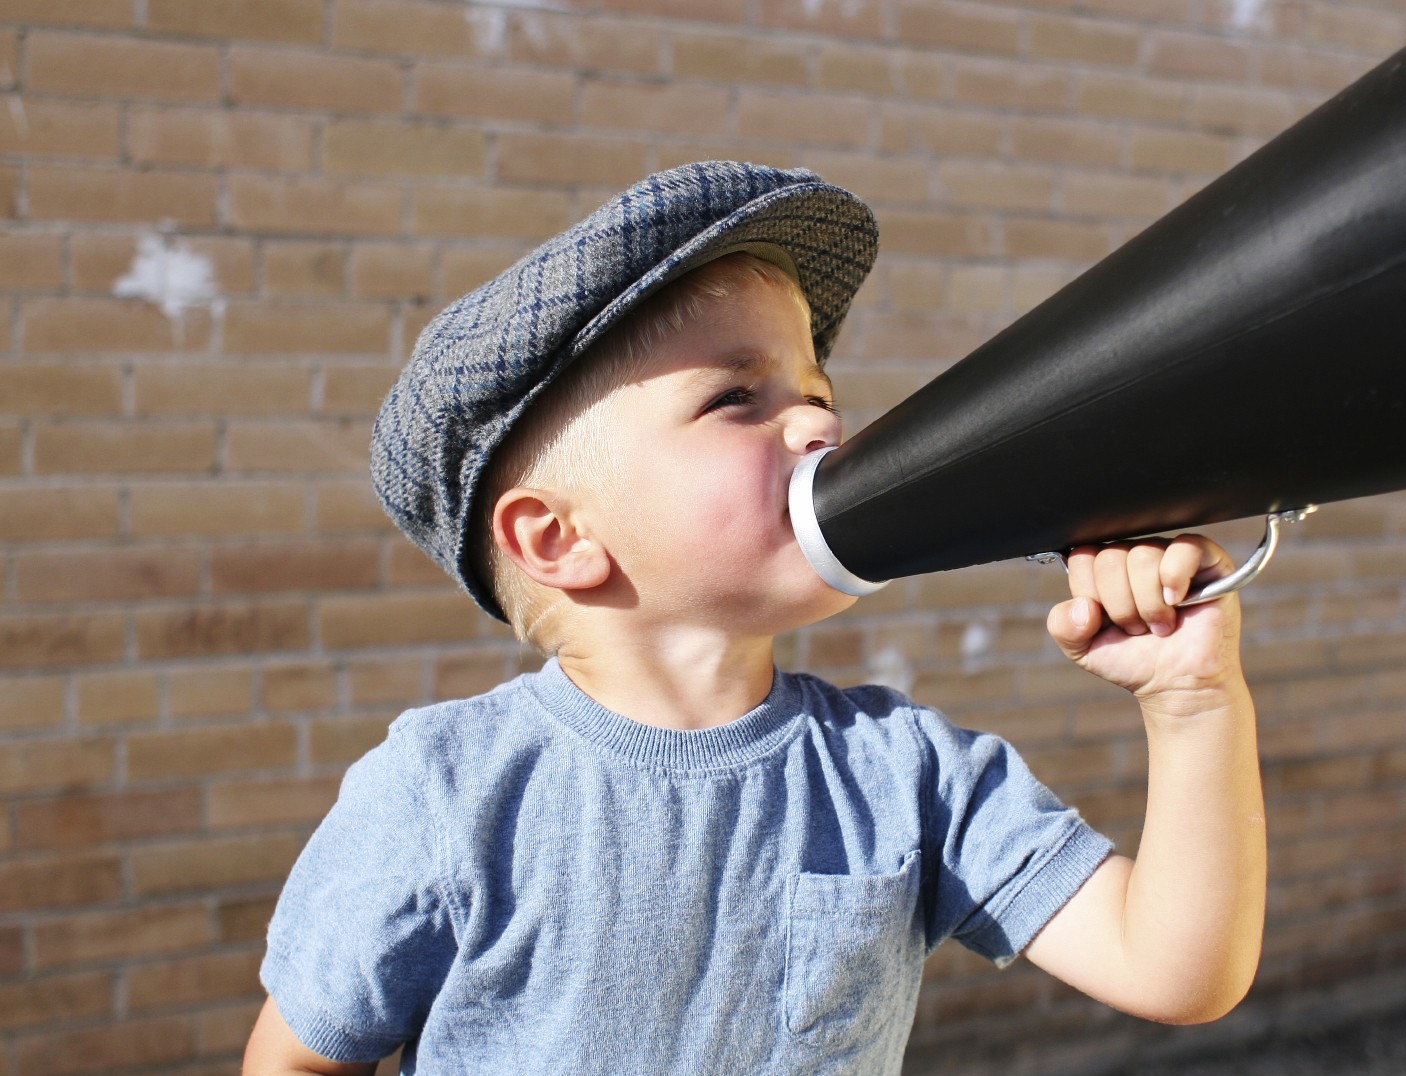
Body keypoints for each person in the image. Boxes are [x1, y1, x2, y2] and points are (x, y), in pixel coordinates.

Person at [243, 161, 1266, 1075]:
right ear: (558, 538)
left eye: (816, 388)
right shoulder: (446, 791)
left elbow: (1177, 970)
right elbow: (296, 1055)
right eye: (737, 395)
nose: (820, 421)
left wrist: (1193, 699)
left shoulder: (904, 772)